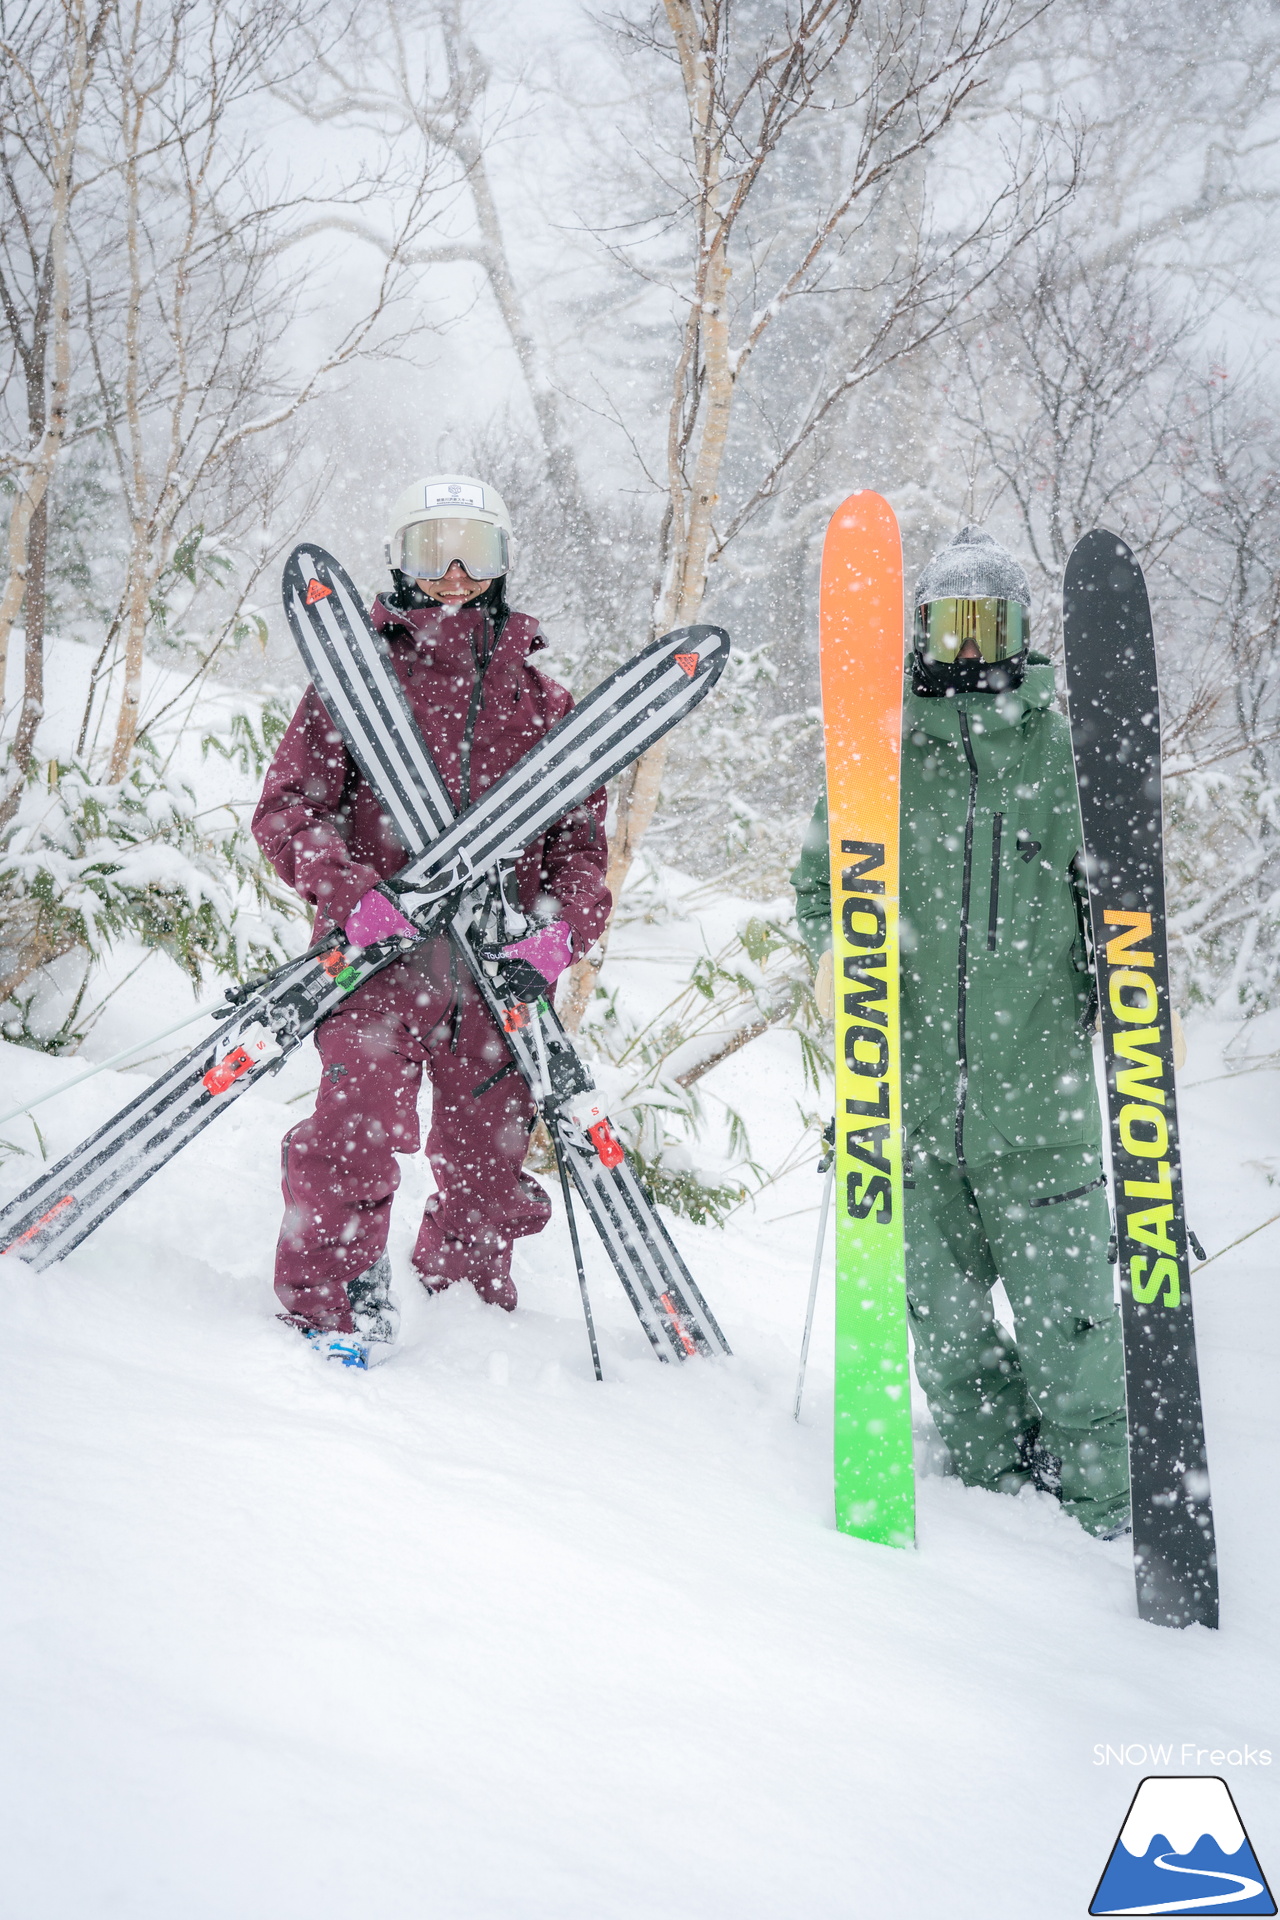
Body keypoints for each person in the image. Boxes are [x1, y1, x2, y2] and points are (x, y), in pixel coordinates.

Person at [791, 526, 1130, 1538]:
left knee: (1071, 1323)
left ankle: (1104, 1503)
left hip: (1040, 1099)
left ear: (1019, 633)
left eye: (987, 622)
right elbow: (822, 878)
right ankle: (989, 1481)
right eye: (949, 622)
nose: (968, 643)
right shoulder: (880, 754)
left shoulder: (1063, 754)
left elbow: (1117, 896)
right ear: (923, 632)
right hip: (910, 1098)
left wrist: (1137, 995)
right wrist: (827, 953)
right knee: (937, 1324)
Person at [252, 474, 610, 1363]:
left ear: (503, 562)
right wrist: (353, 896)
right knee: (349, 1140)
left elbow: (580, 851)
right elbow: (289, 810)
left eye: (475, 551)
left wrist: (558, 935)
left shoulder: (547, 706)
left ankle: (464, 1315)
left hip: (495, 975)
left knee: (490, 1168)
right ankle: (331, 1308)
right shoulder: (354, 683)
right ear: (398, 560)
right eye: (431, 549)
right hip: (378, 962)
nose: (454, 573)